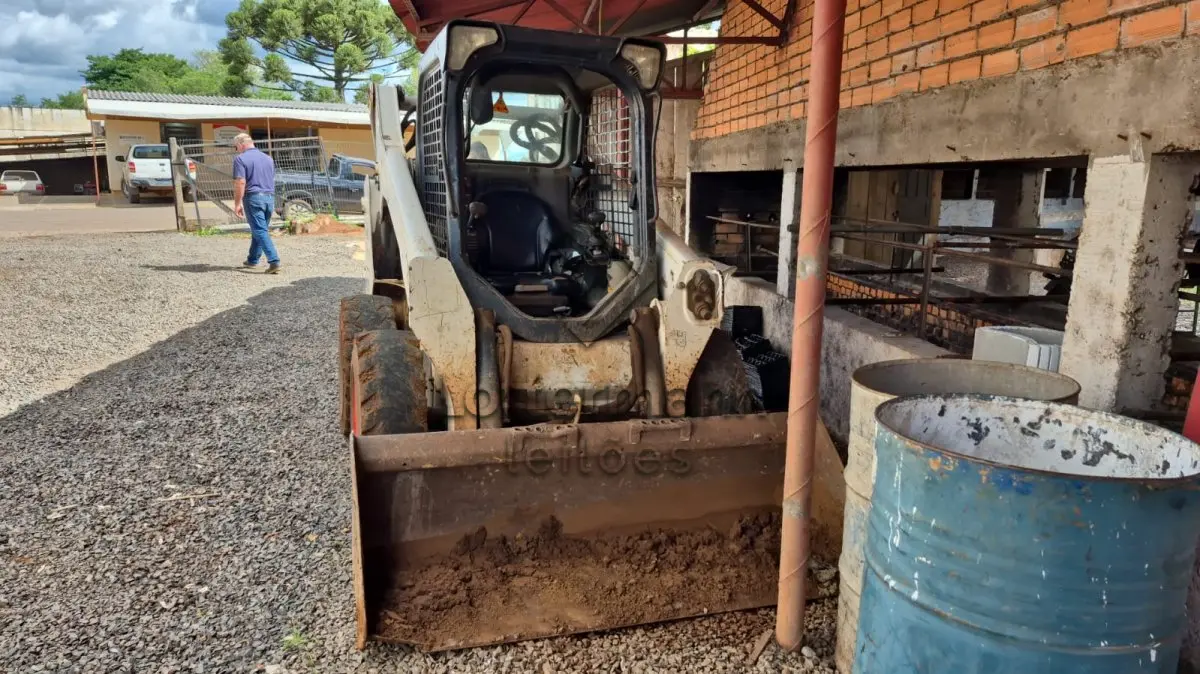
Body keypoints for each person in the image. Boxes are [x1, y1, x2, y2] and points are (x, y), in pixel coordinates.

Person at [232, 133, 280, 273]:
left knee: (259, 230)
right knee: (259, 229)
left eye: (236, 147)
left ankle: (274, 261)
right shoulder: (268, 158)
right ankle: (252, 259)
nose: (236, 150)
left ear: (241, 144)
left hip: (253, 198)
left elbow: (240, 182)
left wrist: (237, 203)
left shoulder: (240, 159)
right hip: (269, 198)